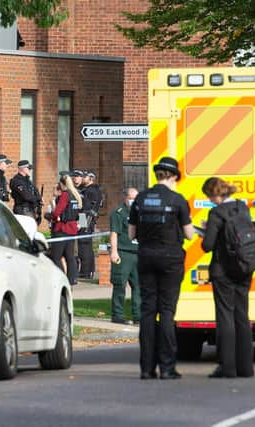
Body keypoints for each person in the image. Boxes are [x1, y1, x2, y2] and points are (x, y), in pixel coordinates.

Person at [128, 156, 194, 380]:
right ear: (174, 176)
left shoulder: (140, 199)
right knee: (166, 311)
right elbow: (189, 234)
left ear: (157, 175)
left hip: (146, 257)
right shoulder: (177, 200)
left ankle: (146, 369)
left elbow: (131, 233)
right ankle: (167, 367)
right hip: (170, 259)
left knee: (148, 311)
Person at [201, 177, 254, 379]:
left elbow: (208, 245)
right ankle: (246, 367)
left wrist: (206, 230)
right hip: (244, 266)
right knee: (242, 315)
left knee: (225, 316)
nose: (210, 201)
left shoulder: (217, 213)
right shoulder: (242, 207)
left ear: (215, 194)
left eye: (209, 197)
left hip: (223, 270)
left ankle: (228, 367)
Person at [109, 187, 141, 325]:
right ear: (125, 198)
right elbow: (114, 233)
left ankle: (138, 316)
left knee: (139, 287)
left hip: (139, 253)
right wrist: (114, 251)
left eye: (136, 198)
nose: (134, 201)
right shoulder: (118, 213)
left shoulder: (141, 213)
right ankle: (118, 315)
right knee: (119, 285)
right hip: (123, 252)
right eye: (131, 198)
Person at [48, 173, 83, 285]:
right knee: (70, 256)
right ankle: (72, 279)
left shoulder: (65, 195)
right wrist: (81, 225)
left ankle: (62, 279)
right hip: (72, 229)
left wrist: (51, 216)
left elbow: (58, 211)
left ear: (62, 184)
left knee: (56, 256)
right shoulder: (76, 195)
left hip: (62, 228)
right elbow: (81, 212)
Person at [78, 170, 102, 279]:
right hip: (85, 216)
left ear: (91, 178)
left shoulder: (92, 190)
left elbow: (87, 207)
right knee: (85, 243)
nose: (82, 178)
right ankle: (89, 270)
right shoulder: (86, 189)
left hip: (86, 217)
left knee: (84, 243)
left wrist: (83, 220)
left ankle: (85, 271)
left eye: (85, 176)